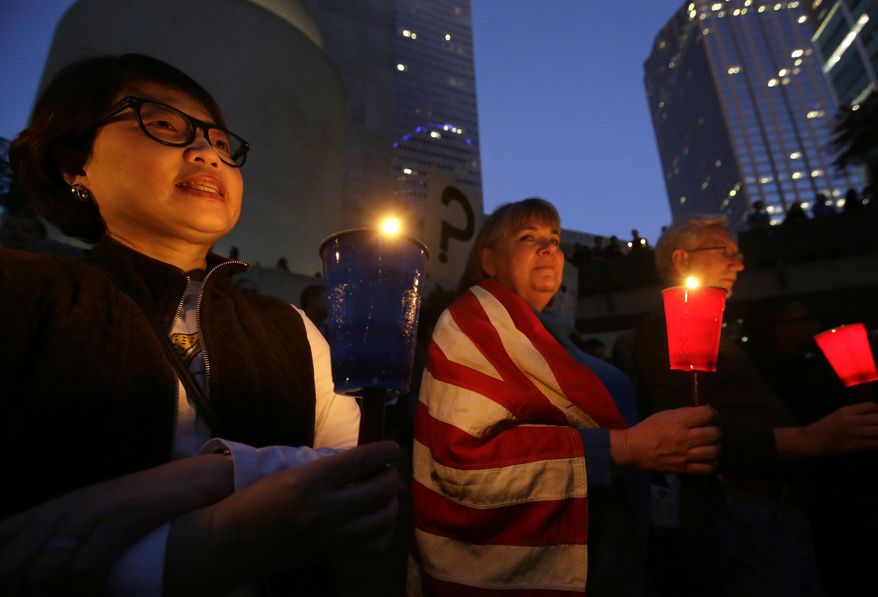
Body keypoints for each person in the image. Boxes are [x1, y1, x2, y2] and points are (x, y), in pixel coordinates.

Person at [0, 54, 399, 595]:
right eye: (162, 124)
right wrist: (206, 540)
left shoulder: (291, 328)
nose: (206, 153)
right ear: (76, 165)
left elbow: (362, 467)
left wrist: (217, 471)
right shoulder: (23, 294)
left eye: (219, 142)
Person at [410, 198, 720, 595]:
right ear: (488, 260)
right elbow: (464, 456)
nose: (549, 248)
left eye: (554, 239)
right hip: (570, 556)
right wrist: (623, 447)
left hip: (612, 546)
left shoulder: (554, 337)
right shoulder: (472, 325)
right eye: (528, 237)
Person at [632, 215, 878, 597]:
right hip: (741, 513)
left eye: (738, 252)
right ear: (681, 260)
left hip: (772, 511)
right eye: (724, 251)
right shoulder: (665, 328)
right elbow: (688, 429)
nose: (739, 263)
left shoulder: (721, 335)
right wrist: (807, 439)